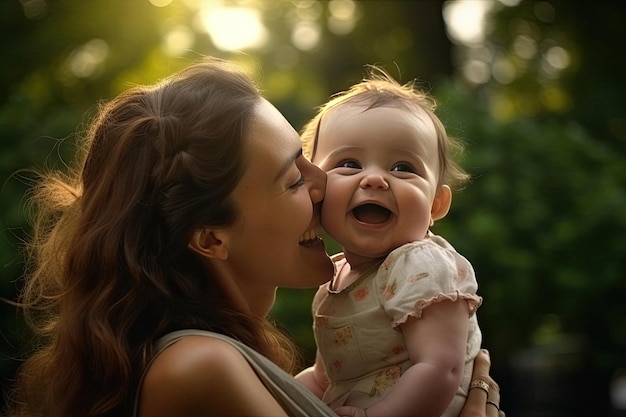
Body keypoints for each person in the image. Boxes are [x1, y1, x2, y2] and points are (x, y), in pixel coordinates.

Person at [4, 57, 501, 417]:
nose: (323, 184)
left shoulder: (229, 358)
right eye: (293, 178)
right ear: (211, 239)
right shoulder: (199, 367)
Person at [296, 66, 497, 417]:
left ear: (436, 204)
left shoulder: (418, 264)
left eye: (404, 168)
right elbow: (324, 378)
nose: (374, 178)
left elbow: (440, 367)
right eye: (348, 163)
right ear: (315, 189)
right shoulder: (334, 280)